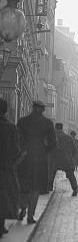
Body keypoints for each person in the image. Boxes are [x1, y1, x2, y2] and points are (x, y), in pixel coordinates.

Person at [17, 100, 56, 224]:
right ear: (43, 109)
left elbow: (17, 139)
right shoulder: (47, 123)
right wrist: (45, 150)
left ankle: (22, 209)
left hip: (25, 156)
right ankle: (30, 215)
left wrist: (22, 150)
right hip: (39, 157)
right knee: (36, 187)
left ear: (32, 108)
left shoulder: (22, 121)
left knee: (24, 184)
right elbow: (53, 142)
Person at [0, 99, 24, 238]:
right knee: (4, 196)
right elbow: (15, 150)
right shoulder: (10, 128)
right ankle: (1, 225)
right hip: (5, 167)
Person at [48, 123, 78, 196]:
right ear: (62, 128)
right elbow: (75, 150)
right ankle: (75, 189)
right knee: (71, 175)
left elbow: (48, 149)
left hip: (55, 159)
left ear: (55, 128)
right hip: (67, 159)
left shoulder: (52, 137)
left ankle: (49, 187)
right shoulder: (69, 137)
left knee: (51, 174)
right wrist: (70, 157)